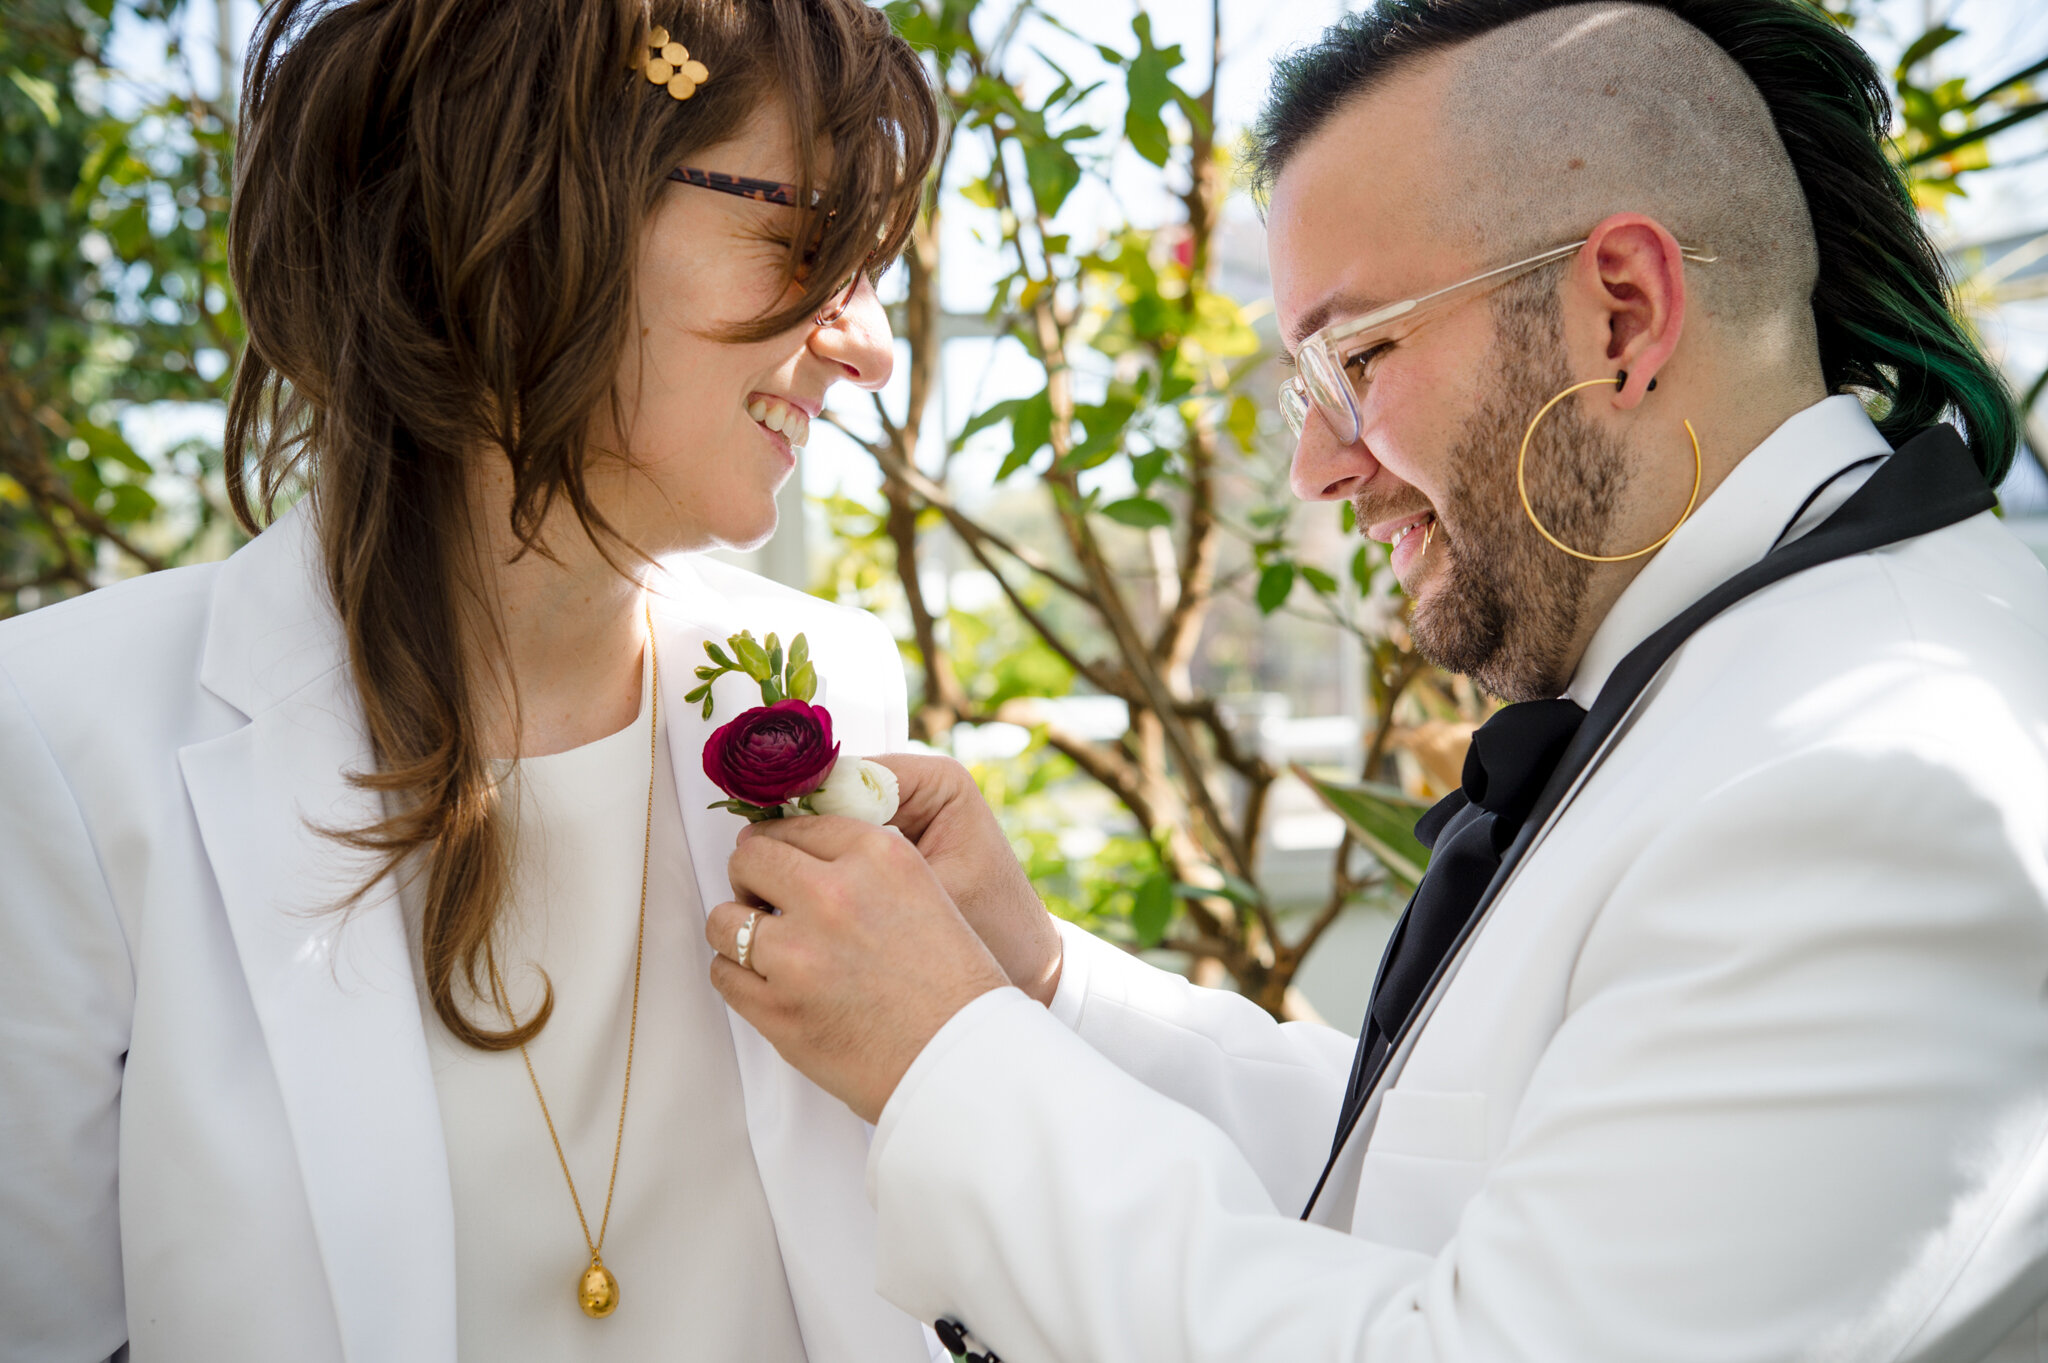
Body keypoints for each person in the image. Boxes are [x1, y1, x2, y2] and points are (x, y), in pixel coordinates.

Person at [700, 2, 2048, 1359]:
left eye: (1361, 356)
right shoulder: (1765, 677)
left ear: (1623, 313)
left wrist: (950, 1052)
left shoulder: (1884, 782)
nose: (1318, 468)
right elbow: (1451, 1166)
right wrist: (1041, 983)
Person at [0, 1, 945, 1360]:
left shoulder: (831, 693)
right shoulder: (65, 744)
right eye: (804, 244)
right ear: (535, 215)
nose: (865, 345)